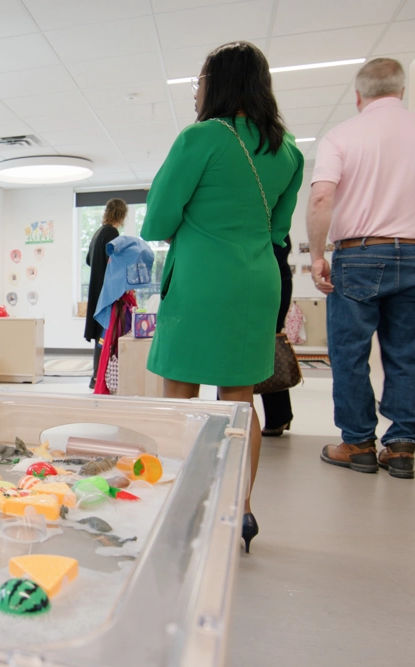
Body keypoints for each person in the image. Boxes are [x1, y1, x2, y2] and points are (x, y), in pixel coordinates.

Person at [140, 42, 304, 553]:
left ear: (221, 83)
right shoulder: (288, 149)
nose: (196, 90)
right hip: (256, 284)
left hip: (200, 284)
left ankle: (179, 504)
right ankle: (240, 510)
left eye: (201, 79)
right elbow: (279, 229)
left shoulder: (202, 138)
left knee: (180, 398)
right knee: (239, 400)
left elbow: (158, 220)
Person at [308, 58, 415, 479]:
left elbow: (321, 198)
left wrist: (318, 255)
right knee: (407, 354)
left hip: (357, 255)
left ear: (358, 95)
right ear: (401, 90)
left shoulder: (342, 135)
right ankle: (402, 448)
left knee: (350, 354)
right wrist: (407, 236)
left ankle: (357, 444)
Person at [84, 198, 127, 390]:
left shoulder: (98, 233)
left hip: (96, 291)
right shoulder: (112, 232)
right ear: (121, 214)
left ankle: (96, 376)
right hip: (106, 292)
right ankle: (99, 376)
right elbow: (115, 262)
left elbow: (88, 260)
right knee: (105, 335)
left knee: (100, 335)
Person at [261, 235, 294, 436]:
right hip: (245, 275)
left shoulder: (268, 205)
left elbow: (282, 245)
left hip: (273, 278)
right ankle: (229, 413)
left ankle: (278, 417)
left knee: (270, 344)